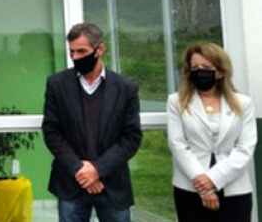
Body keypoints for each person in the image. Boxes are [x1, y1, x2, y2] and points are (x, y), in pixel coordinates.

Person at [42, 22, 142, 222]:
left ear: (100, 49)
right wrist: (80, 170)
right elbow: (52, 131)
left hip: (112, 184)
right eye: (72, 52)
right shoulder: (57, 84)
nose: (76, 57)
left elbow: (131, 137)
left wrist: (97, 169)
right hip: (71, 183)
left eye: (82, 51)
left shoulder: (125, 88)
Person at [166, 42, 256, 222]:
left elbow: (245, 147)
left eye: (206, 67)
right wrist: (203, 186)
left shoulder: (243, 103)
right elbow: (178, 144)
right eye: (195, 67)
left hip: (234, 189)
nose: (200, 71)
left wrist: (214, 179)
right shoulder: (176, 101)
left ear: (221, 71)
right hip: (190, 188)